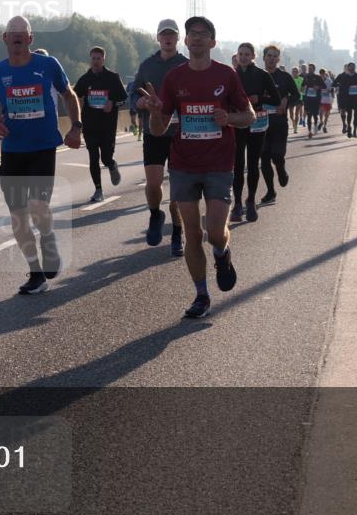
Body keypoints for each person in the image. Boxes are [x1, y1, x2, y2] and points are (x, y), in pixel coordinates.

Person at [137, 16, 253, 318]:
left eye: (204, 34)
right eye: (192, 34)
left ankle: (222, 253)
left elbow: (249, 115)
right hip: (184, 164)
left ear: (213, 42)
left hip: (218, 163)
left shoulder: (226, 75)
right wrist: (154, 111)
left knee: (214, 232)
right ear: (185, 42)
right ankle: (201, 295)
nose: (197, 38)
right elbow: (160, 128)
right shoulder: (175, 79)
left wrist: (230, 118)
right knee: (191, 233)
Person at [0, 16, 82, 294]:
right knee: (18, 217)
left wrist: (76, 127)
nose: (16, 37)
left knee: (37, 207)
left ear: (30, 38)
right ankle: (35, 272)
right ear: (4, 38)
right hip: (12, 151)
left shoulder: (48, 65)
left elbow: (69, 94)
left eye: (21, 33)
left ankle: (48, 239)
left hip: (42, 147)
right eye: (12, 33)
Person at [131, 19, 189, 254]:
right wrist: (140, 102)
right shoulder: (147, 66)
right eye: (164, 35)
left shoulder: (186, 65)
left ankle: (177, 233)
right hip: (153, 132)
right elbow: (133, 96)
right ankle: (155, 213)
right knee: (153, 183)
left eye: (172, 35)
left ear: (178, 39)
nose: (167, 38)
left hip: (179, 133)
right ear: (158, 38)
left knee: (177, 190)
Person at [229, 42, 281, 223]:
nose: (243, 57)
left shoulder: (262, 75)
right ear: (237, 56)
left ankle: (250, 201)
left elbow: (275, 99)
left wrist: (260, 98)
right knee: (237, 165)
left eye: (247, 54)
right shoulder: (232, 75)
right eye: (240, 54)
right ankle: (236, 205)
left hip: (257, 123)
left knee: (252, 164)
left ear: (253, 56)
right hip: (238, 122)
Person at [73, 46, 127, 202]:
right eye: (93, 58)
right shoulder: (84, 79)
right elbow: (74, 98)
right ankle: (98, 190)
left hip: (107, 126)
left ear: (104, 59)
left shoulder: (113, 77)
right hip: (90, 126)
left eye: (99, 58)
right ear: (90, 59)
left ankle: (111, 165)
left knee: (105, 157)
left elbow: (124, 98)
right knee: (93, 157)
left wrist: (113, 103)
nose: (95, 61)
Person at [259, 44, 299, 204]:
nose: (271, 59)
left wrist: (286, 101)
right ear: (263, 58)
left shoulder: (285, 77)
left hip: (279, 123)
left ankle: (281, 170)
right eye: (269, 55)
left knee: (277, 155)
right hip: (260, 124)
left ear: (278, 59)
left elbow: (296, 95)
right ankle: (270, 191)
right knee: (264, 158)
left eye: (275, 56)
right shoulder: (257, 76)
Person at [334, 62, 357, 138]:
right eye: (350, 67)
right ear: (348, 68)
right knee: (350, 114)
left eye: (353, 67)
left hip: (356, 98)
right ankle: (349, 127)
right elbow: (336, 84)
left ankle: (355, 131)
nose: (352, 69)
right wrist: (341, 87)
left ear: (355, 68)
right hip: (347, 98)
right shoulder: (344, 76)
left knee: (356, 114)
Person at [301, 63, 326, 139]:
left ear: (314, 69)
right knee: (309, 115)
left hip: (316, 99)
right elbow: (302, 86)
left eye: (311, 68)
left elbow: (324, 86)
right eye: (309, 69)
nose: (309, 70)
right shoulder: (306, 77)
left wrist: (318, 87)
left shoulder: (318, 77)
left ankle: (315, 126)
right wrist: (302, 89)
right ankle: (309, 131)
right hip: (308, 99)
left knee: (315, 115)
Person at [289, 66, 305, 134]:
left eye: (296, 71)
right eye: (293, 71)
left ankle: (295, 128)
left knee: (297, 113)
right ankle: (293, 122)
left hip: (299, 98)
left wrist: (299, 90)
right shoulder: (289, 79)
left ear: (298, 72)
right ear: (292, 72)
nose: (295, 73)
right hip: (291, 98)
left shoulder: (301, 79)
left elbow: (303, 89)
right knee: (291, 115)